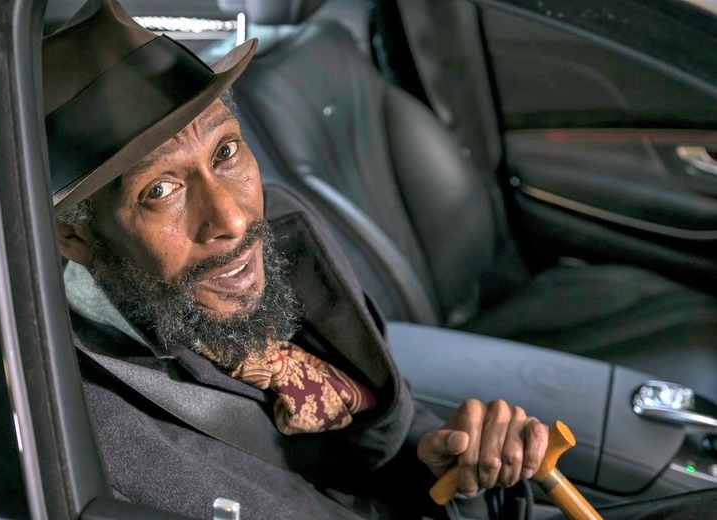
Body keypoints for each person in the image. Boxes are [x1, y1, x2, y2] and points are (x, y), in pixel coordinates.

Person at [42, 1, 715, 519]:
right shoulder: (96, 430)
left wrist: (446, 462)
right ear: (76, 239)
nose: (234, 219)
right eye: (159, 191)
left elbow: (376, 439)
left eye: (225, 152)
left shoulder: (283, 240)